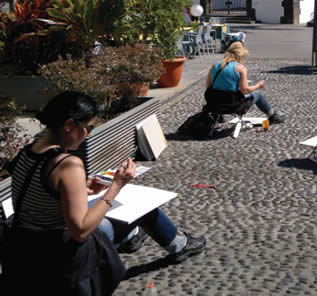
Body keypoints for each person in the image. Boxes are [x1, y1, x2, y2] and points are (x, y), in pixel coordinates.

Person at [4, 92, 206, 292]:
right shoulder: (68, 165)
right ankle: (177, 245)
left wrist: (83, 187)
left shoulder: (28, 151)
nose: (89, 134)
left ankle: (140, 239)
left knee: (132, 210)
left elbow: (41, 191)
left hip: (25, 244)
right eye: (88, 127)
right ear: (68, 126)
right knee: (140, 206)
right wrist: (116, 186)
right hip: (58, 253)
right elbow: (80, 231)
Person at [207, 41, 285, 124]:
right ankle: (273, 116)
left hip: (214, 104)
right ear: (240, 56)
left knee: (218, 92)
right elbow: (245, 90)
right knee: (257, 94)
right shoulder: (240, 68)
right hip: (232, 106)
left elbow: (208, 86)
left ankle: (217, 116)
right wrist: (258, 86)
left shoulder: (214, 65)